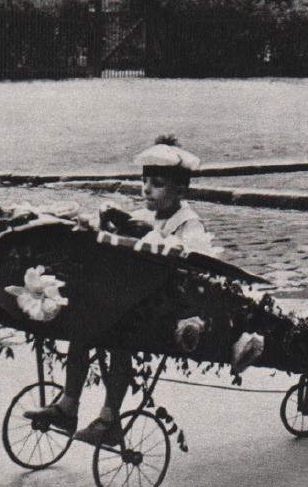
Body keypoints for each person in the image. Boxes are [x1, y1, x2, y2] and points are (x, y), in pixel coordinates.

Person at [23, 136, 212, 445]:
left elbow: (189, 261)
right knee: (82, 328)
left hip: (162, 306)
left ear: (180, 190)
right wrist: (112, 223)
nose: (147, 189)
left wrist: (146, 235)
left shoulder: (188, 224)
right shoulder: (145, 215)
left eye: (158, 183)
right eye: (145, 181)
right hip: (131, 298)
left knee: (120, 337)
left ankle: (110, 419)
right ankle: (68, 407)